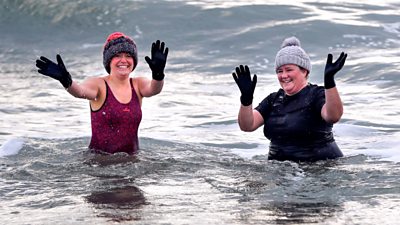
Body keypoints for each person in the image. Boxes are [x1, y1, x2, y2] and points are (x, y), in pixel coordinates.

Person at [35, 32, 169, 154]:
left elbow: (154, 89)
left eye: (128, 56)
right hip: (99, 162)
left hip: (131, 162)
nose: (123, 60)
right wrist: (66, 81)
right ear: (109, 61)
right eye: (117, 56)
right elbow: (80, 92)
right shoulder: (98, 84)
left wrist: (158, 74)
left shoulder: (137, 84)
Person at [232, 36, 347, 162]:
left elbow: (333, 116)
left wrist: (329, 82)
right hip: (283, 172)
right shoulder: (273, 99)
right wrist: (246, 100)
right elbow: (247, 125)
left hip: (320, 168)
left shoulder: (316, 95)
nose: (284, 75)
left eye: (289, 70)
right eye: (279, 71)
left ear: (304, 71)